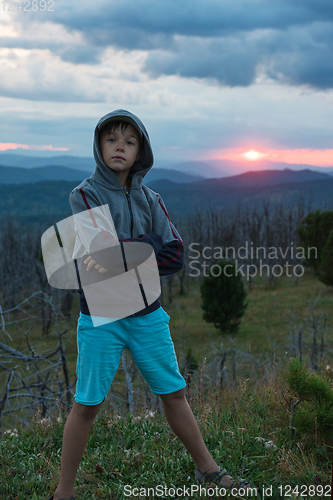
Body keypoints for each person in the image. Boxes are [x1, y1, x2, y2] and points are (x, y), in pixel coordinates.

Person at [48, 109, 251, 500]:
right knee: (87, 404)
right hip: (102, 316)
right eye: (111, 139)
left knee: (173, 393)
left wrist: (138, 249)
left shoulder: (151, 197)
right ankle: (64, 492)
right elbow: (103, 258)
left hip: (147, 315)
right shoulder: (84, 195)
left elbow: (175, 256)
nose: (119, 147)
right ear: (98, 146)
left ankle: (208, 470)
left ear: (141, 149)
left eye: (129, 140)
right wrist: (147, 245)